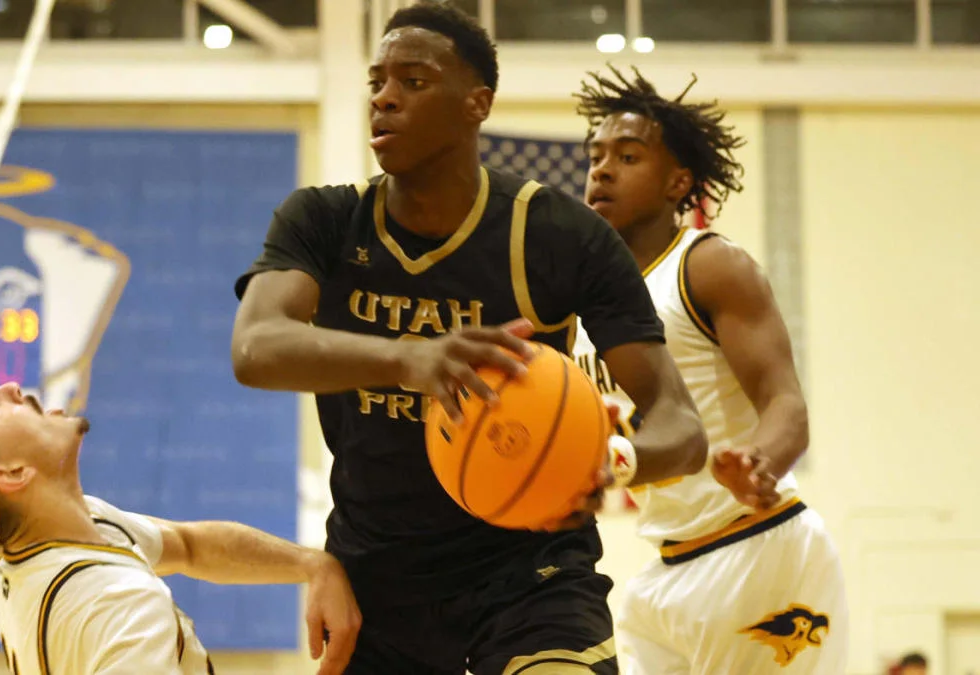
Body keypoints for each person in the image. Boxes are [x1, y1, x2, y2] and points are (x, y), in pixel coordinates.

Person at [228, 4, 765, 673]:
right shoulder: (325, 220)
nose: (385, 97)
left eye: (413, 81)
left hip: (531, 571)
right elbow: (255, 347)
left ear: (476, 104)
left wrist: (612, 461)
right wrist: (411, 359)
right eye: (376, 82)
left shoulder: (562, 236)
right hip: (379, 576)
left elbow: (680, 425)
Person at [572, 66, 849, 674]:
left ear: (679, 182)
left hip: (756, 545)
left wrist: (760, 462)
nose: (603, 170)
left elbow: (785, 402)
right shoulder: (587, 302)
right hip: (664, 569)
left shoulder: (709, 265)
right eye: (596, 156)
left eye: (627, 156)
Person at [0, 382, 362, 675]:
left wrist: (312, 565)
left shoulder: (54, 537)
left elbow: (191, 546)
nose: (11, 388)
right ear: (13, 474)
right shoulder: (118, 604)